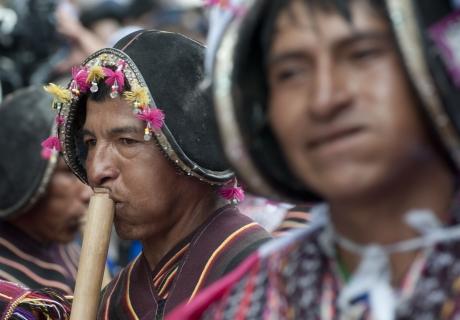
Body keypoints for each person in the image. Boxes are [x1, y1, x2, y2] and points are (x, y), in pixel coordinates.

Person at [168, 0, 460, 318]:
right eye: (291, 73)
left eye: (362, 54)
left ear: (439, 64)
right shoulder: (241, 305)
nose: (324, 99)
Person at [43, 30, 271, 319]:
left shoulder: (264, 278)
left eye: (126, 141)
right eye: (91, 143)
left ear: (188, 147)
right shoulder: (114, 300)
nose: (98, 170)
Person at [0, 86, 92, 295]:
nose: (87, 193)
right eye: (68, 172)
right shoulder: (7, 293)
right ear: (25, 175)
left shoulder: (73, 252)